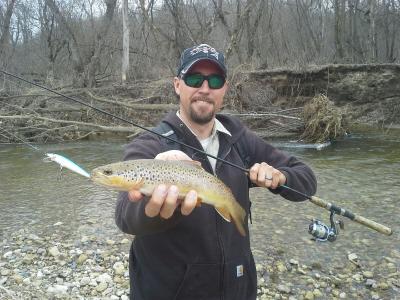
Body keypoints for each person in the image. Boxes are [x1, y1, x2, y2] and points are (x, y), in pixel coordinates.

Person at [115, 43, 317, 300]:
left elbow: (306, 180)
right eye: (195, 78)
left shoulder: (241, 139)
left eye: (215, 80)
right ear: (178, 85)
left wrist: (281, 178)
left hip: (238, 289)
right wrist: (154, 208)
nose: (205, 89)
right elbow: (125, 216)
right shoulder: (150, 144)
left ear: (225, 89)